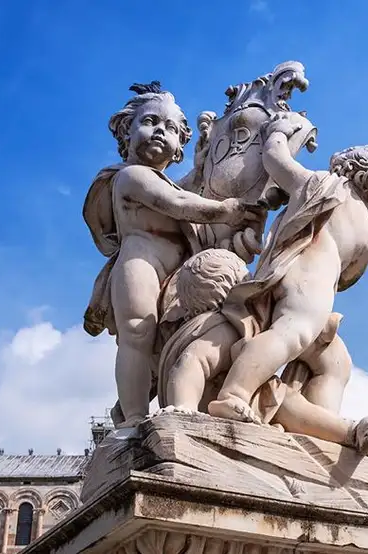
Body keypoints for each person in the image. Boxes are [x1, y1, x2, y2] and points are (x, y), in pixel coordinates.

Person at [82, 82, 263, 428]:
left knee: (164, 342)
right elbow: (179, 203)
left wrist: (205, 165)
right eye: (150, 122)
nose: (159, 132)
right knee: (137, 334)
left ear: (179, 145)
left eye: (170, 129)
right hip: (140, 264)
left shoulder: (168, 181)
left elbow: (188, 188)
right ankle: (133, 421)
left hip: (175, 272)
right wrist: (227, 210)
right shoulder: (131, 177)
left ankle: (167, 396)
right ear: (126, 131)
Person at [207, 113, 368, 426]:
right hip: (311, 278)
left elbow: (276, 159)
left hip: (313, 284)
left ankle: (320, 429)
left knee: (335, 363)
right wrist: (280, 131)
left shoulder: (322, 189)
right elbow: (350, 277)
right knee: (292, 333)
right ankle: (235, 393)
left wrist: (280, 134)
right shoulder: (333, 193)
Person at [157, 249, 368, 455]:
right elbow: (191, 362)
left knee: (285, 394)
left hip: (243, 407)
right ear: (234, 286)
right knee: (283, 399)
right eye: (248, 279)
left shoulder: (233, 327)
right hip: (221, 410)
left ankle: (349, 432)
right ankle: (350, 432)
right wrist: (183, 407)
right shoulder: (222, 328)